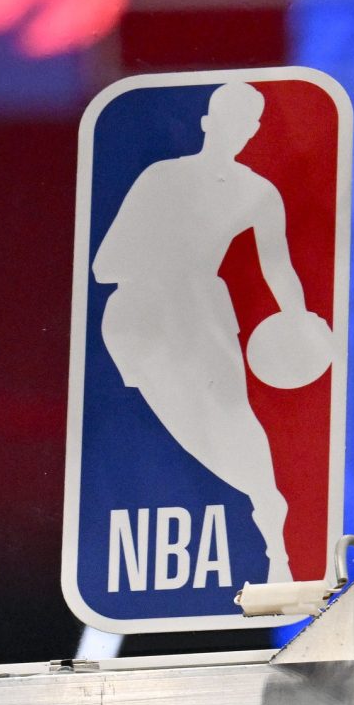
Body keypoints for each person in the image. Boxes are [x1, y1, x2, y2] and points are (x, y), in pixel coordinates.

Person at [92, 81, 307, 584]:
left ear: (253, 132)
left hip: (204, 315)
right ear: (208, 122)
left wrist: (296, 319)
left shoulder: (258, 192)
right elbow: (106, 265)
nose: (236, 132)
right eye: (227, 119)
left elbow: (278, 266)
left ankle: (275, 539)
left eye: (246, 123)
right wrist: (167, 260)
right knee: (189, 429)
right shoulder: (161, 178)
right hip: (142, 318)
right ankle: (252, 506)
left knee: (236, 417)